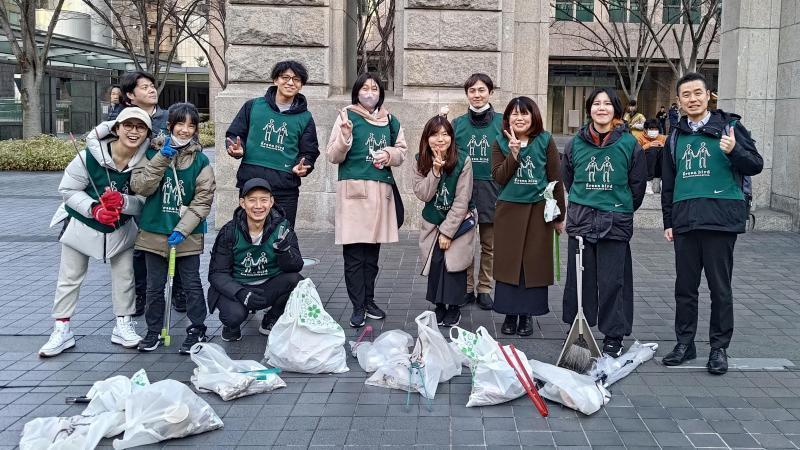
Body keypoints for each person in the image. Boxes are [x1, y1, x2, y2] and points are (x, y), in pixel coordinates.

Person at [660, 72, 763, 375]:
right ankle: (685, 342)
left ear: (708, 96)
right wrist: (668, 221)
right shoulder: (675, 135)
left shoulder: (730, 127)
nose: (692, 99)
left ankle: (718, 348)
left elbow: (755, 165)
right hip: (686, 221)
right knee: (685, 288)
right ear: (679, 101)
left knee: (720, 288)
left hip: (720, 220)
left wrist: (735, 151)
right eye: (686, 95)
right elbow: (669, 182)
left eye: (697, 93)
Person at [39, 108, 152, 357]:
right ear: (116, 128)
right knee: (69, 277)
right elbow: (68, 189)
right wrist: (93, 209)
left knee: (125, 278)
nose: (134, 131)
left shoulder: (146, 162)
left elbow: (144, 201)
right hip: (81, 225)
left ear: (147, 133)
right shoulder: (89, 155)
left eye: (140, 127)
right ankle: (61, 328)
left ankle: (123, 323)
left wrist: (124, 202)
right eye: (128, 125)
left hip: (120, 228)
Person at [561, 87, 647, 357]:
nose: (601, 108)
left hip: (615, 221)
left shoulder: (629, 144)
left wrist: (619, 207)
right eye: (596, 103)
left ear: (616, 110)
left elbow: (637, 186)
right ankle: (580, 326)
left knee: (614, 281)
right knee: (581, 280)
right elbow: (569, 178)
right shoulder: (575, 143)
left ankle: (613, 335)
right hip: (582, 221)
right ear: (589, 109)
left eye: (607, 104)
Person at [131, 102, 216, 354]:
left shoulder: (201, 161)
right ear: (170, 126)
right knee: (154, 286)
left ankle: (197, 327)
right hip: (153, 231)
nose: (186, 130)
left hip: (186, 235)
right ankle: (153, 330)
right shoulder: (150, 154)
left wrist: (183, 228)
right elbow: (141, 186)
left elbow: (203, 200)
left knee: (191, 283)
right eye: (181, 123)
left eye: (192, 125)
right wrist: (162, 157)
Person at [326, 73, 407, 328]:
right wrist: (345, 137)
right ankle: (357, 306)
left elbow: (402, 151)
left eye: (374, 88)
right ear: (357, 92)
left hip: (380, 193)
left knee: (371, 256)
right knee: (353, 256)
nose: (370, 92)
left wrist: (388, 154)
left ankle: (369, 300)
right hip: (353, 193)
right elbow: (332, 155)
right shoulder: (346, 117)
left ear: (381, 92)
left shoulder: (391, 120)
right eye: (365, 88)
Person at [491, 97, 566, 336]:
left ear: (534, 116)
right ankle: (509, 314)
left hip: (538, 211)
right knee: (509, 264)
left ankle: (527, 315)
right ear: (507, 118)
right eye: (514, 113)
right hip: (509, 211)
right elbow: (499, 177)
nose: (519, 118)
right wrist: (513, 155)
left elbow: (555, 179)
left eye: (524, 113)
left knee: (533, 264)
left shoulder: (545, 140)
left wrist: (559, 216)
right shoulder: (500, 142)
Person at [120, 71, 186, 316]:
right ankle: (141, 295)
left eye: (151, 86)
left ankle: (180, 291)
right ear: (130, 95)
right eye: (144, 87)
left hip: (169, 187)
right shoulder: (122, 120)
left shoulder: (170, 118)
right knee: (141, 245)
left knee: (176, 239)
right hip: (137, 188)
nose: (151, 90)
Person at [225, 60, 320, 227]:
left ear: (301, 85)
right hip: (252, 184)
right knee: (249, 235)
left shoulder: (305, 118)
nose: (290, 82)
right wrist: (235, 147)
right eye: (285, 77)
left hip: (285, 188)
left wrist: (304, 166)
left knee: (282, 239)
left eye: (296, 79)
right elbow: (235, 135)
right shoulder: (253, 106)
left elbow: (309, 152)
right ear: (275, 80)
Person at [208, 179, 304, 341]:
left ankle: (271, 318)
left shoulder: (282, 228)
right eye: (252, 200)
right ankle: (231, 325)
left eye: (264, 200)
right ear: (242, 203)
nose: (258, 206)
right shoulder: (229, 231)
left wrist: (285, 252)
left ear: (271, 202)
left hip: (268, 285)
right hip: (239, 286)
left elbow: (296, 266)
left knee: (297, 281)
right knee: (233, 316)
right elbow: (217, 274)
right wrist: (241, 293)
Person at [413, 115, 475, 327]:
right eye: (434, 134)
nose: (440, 139)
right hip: (432, 221)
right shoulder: (420, 159)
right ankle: (439, 306)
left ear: (451, 137)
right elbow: (423, 194)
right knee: (436, 264)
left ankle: (454, 308)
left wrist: (448, 232)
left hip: (458, 223)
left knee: (454, 266)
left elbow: (462, 198)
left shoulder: (463, 160)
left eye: (445, 134)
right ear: (427, 137)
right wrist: (435, 172)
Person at [451, 73, 502, 311]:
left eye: (482, 90)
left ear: (490, 92)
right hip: (466, 191)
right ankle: (467, 287)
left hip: (493, 190)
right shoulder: (458, 124)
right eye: (472, 91)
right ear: (467, 95)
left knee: (489, 245)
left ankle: (484, 288)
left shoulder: (503, 123)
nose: (477, 95)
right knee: (466, 242)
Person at [637, 119, 666, 194]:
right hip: (646, 165)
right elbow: (636, 153)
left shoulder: (662, 138)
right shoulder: (639, 138)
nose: (654, 131)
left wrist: (663, 146)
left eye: (656, 129)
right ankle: (648, 182)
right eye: (651, 129)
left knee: (664, 151)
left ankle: (664, 182)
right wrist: (648, 145)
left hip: (659, 166)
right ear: (645, 130)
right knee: (652, 151)